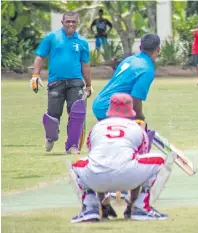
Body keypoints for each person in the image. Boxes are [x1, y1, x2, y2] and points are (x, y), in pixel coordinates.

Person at [68, 93, 168, 223]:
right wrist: (131, 203)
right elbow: (139, 160)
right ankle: (142, 207)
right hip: (129, 176)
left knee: (76, 165)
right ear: (131, 109)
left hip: (95, 178)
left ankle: (90, 208)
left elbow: (95, 160)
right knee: (160, 161)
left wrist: (103, 203)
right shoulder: (137, 128)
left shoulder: (96, 128)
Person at [31, 11, 93, 155]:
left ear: (77, 23)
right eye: (68, 21)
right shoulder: (52, 38)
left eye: (73, 22)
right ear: (62, 22)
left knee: (76, 114)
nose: (71, 24)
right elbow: (40, 57)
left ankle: (72, 146)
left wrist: (89, 85)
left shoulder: (82, 42)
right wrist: (35, 76)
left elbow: (86, 65)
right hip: (55, 82)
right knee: (53, 115)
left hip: (76, 82)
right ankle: (50, 137)